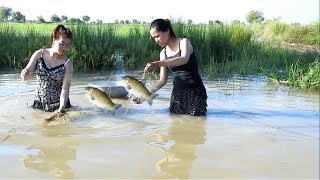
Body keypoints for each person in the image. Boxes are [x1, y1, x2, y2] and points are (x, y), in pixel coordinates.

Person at [143, 18, 207, 116]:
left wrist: (157, 64)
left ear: (167, 31)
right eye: (154, 38)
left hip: (196, 92)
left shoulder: (184, 42)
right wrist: (145, 94)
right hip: (177, 94)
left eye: (157, 36)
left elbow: (184, 59)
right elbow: (162, 81)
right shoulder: (163, 53)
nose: (156, 40)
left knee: (198, 123)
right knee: (175, 127)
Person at [20, 24, 73, 113]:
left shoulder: (67, 63)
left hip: (59, 105)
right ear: (54, 40)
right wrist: (24, 73)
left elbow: (65, 88)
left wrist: (62, 107)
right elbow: (26, 76)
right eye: (62, 43)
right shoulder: (39, 54)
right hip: (39, 103)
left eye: (68, 45)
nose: (64, 48)